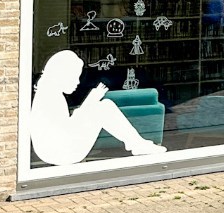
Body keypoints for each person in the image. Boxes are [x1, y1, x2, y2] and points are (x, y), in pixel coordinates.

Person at [27, 50, 167, 167]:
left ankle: (137, 143)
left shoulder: (48, 92)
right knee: (103, 108)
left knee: (103, 106)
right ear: (61, 76)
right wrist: (89, 102)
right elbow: (66, 128)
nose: (77, 83)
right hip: (60, 153)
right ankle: (137, 144)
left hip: (54, 150)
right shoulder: (51, 97)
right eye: (73, 78)